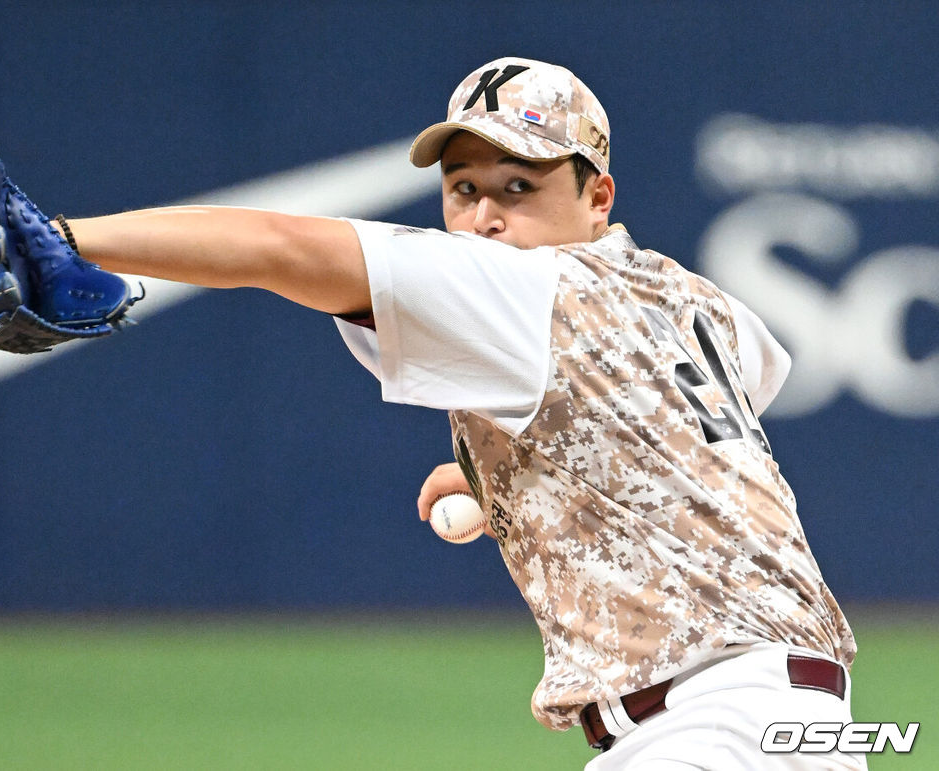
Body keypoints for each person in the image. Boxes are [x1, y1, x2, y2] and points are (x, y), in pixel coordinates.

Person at [55, 58, 862, 768]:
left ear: (597, 194)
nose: (485, 218)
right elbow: (724, 409)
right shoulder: (695, 301)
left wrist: (69, 241)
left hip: (707, 728)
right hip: (800, 719)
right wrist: (533, 477)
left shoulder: (527, 285)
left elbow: (279, 246)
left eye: (521, 186)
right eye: (464, 190)